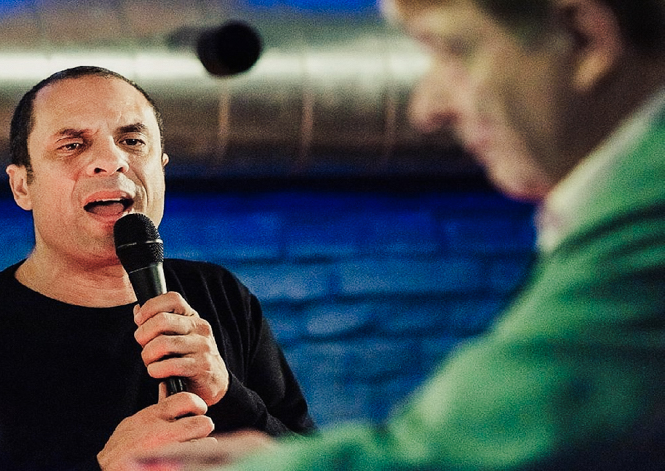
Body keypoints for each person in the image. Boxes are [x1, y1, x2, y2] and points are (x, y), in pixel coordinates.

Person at [131, 0, 665, 469]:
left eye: (452, 51)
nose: (427, 109)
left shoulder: (648, 211)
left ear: (586, 38)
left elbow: (465, 449)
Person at [0, 66, 314, 471]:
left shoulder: (218, 294)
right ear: (22, 185)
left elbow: (319, 461)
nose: (111, 161)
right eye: (73, 145)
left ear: (161, 168)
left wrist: (229, 395)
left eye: (132, 141)